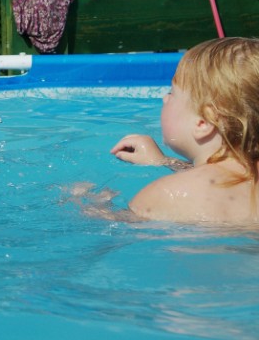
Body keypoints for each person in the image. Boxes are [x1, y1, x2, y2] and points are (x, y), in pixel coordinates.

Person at [109, 37, 259, 224]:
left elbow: (119, 228)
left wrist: (88, 201)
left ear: (203, 123)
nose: (165, 98)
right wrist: (162, 161)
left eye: (172, 93)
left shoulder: (165, 195)